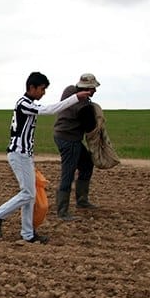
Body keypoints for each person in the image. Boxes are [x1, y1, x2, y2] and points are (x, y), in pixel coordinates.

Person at [0, 72, 93, 244]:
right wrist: (75, 98)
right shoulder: (24, 104)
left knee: (30, 195)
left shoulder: (27, 103)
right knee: (28, 193)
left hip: (24, 155)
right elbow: (49, 110)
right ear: (32, 88)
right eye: (42, 89)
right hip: (19, 154)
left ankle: (28, 235)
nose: (43, 93)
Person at [52, 73, 100, 220]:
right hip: (69, 139)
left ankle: (82, 201)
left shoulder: (69, 90)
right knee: (68, 173)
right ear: (88, 89)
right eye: (93, 89)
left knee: (86, 163)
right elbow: (90, 127)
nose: (95, 91)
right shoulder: (84, 106)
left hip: (61, 135)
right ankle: (62, 211)